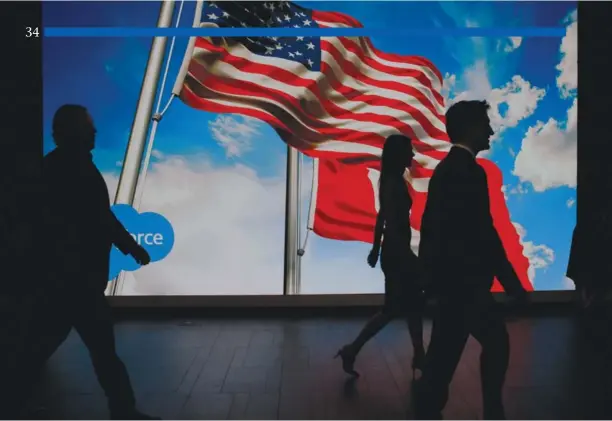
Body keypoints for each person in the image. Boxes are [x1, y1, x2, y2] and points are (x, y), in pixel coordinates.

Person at [37, 104, 158, 420]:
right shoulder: (66, 169)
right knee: (101, 353)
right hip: (74, 283)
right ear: (73, 131)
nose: (94, 131)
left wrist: (130, 246)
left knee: (49, 347)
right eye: (88, 126)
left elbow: (101, 219)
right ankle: (124, 411)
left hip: (72, 283)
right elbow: (95, 221)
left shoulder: (63, 166)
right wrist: (131, 246)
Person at [415, 100, 527, 420]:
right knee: (459, 354)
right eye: (485, 123)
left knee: (446, 359)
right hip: (463, 286)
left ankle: (480, 408)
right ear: (471, 128)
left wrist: (429, 279)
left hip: (454, 285)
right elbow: (484, 233)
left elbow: (431, 226)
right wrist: (512, 284)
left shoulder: (448, 169)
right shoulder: (469, 172)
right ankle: (490, 409)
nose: (491, 129)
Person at [335, 134, 426, 378]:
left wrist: (377, 249)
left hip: (394, 252)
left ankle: (418, 355)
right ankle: (353, 350)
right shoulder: (393, 183)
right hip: (397, 253)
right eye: (409, 150)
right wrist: (403, 255)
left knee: (408, 305)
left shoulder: (391, 180)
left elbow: (382, 218)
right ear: (399, 154)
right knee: (397, 308)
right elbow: (390, 222)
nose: (413, 155)